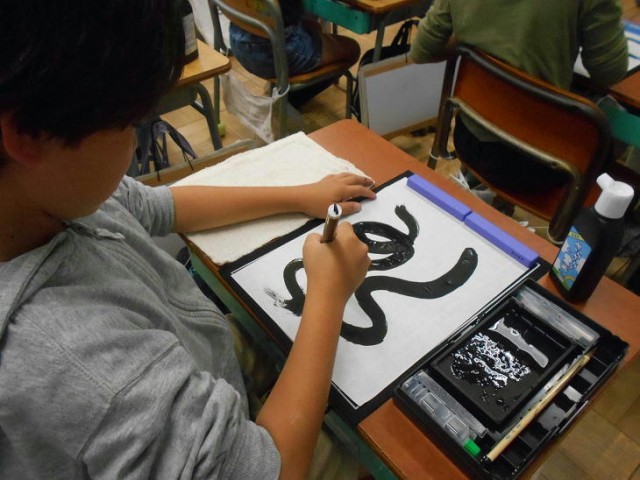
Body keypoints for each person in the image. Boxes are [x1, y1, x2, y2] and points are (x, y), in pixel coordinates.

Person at [0, 1, 377, 479]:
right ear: (29, 135)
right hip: (240, 447)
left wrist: (299, 195)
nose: (136, 146)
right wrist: (327, 292)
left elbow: (161, 205)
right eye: (129, 126)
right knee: (383, 448)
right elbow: (272, 472)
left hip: (198, 354)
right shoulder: (86, 369)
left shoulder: (45, 192)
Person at [410, 0, 629, 192]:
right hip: (541, 162)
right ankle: (606, 214)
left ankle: (481, 188)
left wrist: (479, 41)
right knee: (617, 121)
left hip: (470, 139)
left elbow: (422, 51)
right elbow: (610, 73)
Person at [228, 0, 361, 107]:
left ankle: (281, 92)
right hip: (271, 54)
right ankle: (285, 101)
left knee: (312, 24)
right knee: (352, 49)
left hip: (238, 40)